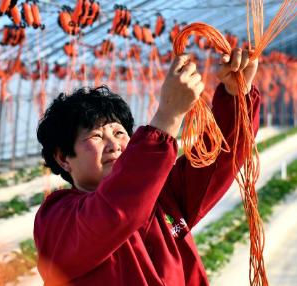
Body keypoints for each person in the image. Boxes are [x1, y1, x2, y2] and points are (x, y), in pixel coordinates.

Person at [34, 48, 260, 285]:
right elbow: (115, 213)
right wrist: (168, 117)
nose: (114, 145)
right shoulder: (57, 221)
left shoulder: (163, 199)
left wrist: (237, 96)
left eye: (119, 132)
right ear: (62, 158)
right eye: (96, 137)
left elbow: (216, 159)